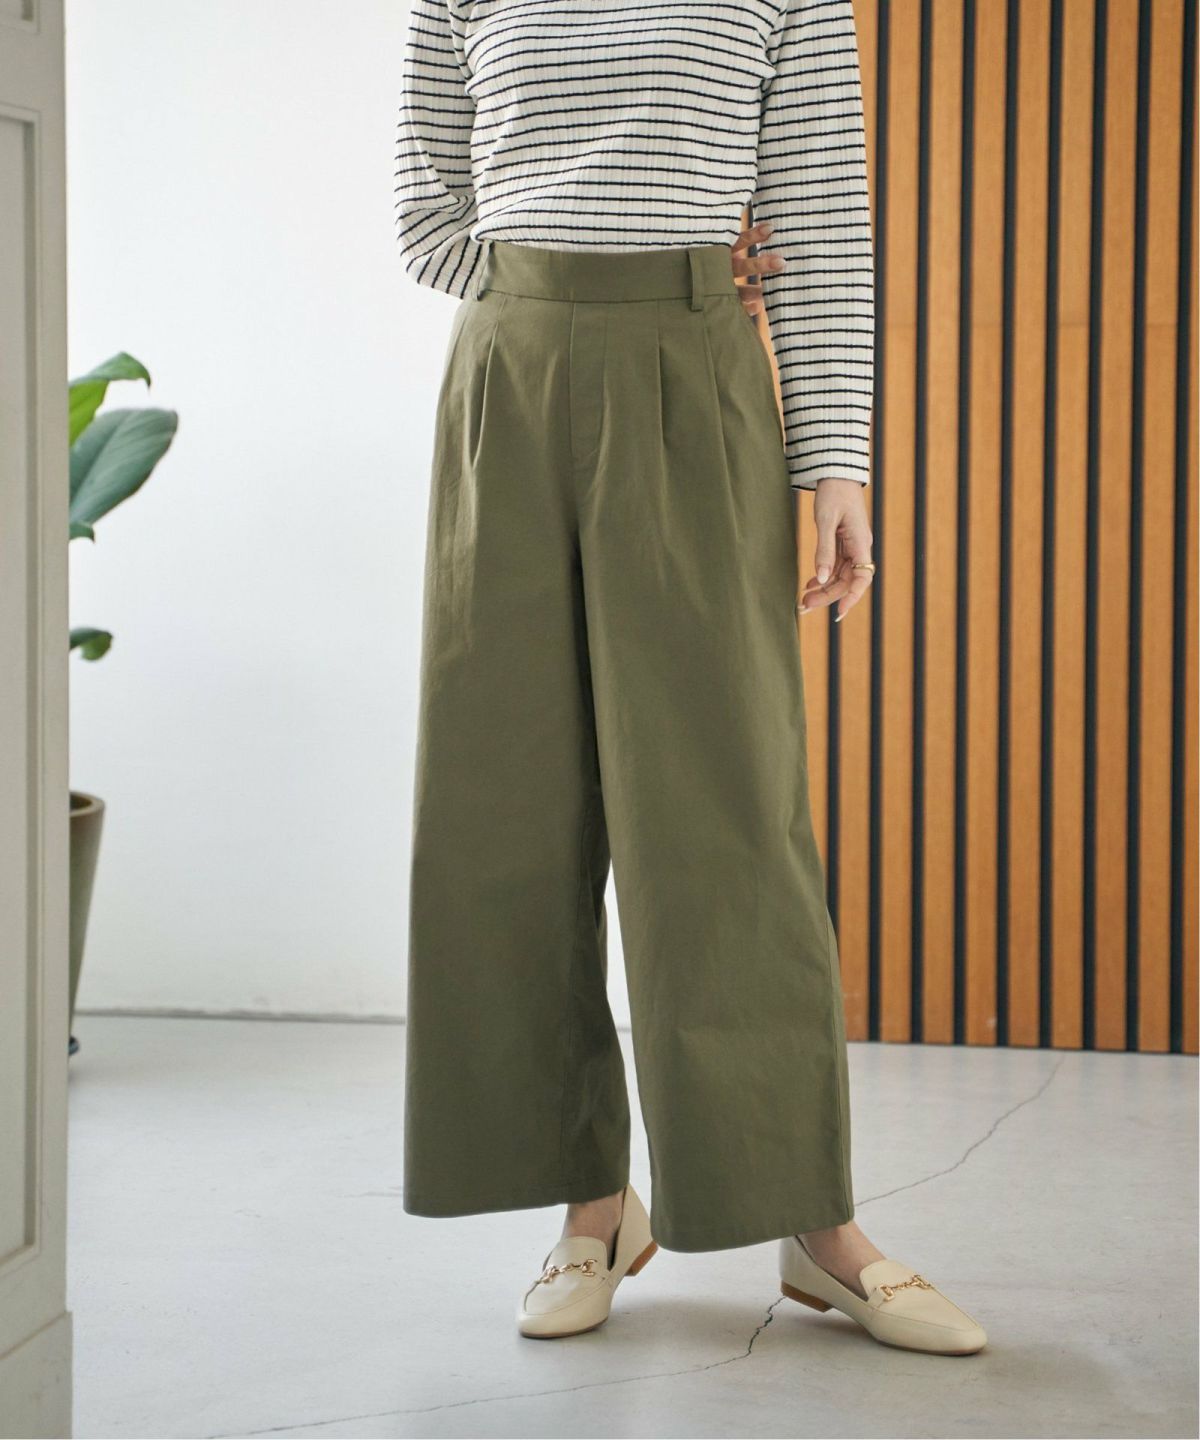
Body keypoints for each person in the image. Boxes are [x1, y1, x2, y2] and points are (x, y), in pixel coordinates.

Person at [392, 0, 986, 1355]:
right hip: (508, 388)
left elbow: (820, 224)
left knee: (727, 814)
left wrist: (836, 463)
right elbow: (428, 214)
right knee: (503, 808)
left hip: (699, 375)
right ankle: (593, 1210)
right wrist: (564, 274)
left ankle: (815, 1227)